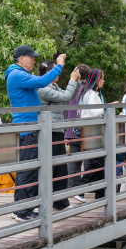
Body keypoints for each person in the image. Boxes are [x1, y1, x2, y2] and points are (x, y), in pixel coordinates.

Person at [5, 45, 65, 221]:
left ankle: (24, 208)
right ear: (21, 58)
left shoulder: (19, 74)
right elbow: (41, 82)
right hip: (28, 127)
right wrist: (59, 66)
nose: (33, 61)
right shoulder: (17, 74)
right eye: (31, 58)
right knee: (28, 169)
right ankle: (22, 211)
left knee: (30, 168)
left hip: (30, 127)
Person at [38, 59, 81, 210]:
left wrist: (77, 82)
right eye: (54, 70)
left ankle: (61, 202)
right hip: (47, 131)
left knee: (60, 168)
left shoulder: (54, 86)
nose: (57, 73)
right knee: (48, 168)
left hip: (56, 130)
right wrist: (71, 81)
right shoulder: (42, 88)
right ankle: (42, 201)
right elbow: (65, 97)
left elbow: (70, 95)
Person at [74, 68, 107, 201]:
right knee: (96, 163)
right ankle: (80, 189)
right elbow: (94, 112)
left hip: (90, 131)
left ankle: (101, 195)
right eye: (102, 79)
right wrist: (108, 107)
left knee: (100, 163)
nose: (103, 81)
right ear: (97, 80)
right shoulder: (91, 94)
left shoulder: (87, 93)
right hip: (92, 131)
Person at [64, 64, 91, 192]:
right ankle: (86, 190)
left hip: (71, 130)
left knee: (73, 165)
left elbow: (64, 109)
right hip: (87, 132)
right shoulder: (89, 91)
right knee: (89, 163)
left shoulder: (69, 90)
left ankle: (71, 191)